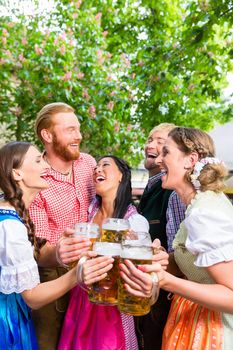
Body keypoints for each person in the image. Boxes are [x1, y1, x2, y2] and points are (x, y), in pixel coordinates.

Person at [120, 127, 233, 349]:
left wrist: (165, 280)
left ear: (190, 160)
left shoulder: (204, 212)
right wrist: (165, 260)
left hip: (215, 331)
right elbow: (198, 262)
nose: (159, 160)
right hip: (193, 319)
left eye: (166, 153)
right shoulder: (197, 204)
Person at [58, 155, 149, 350]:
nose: (97, 169)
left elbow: (138, 272)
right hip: (80, 298)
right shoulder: (89, 210)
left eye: (105, 165)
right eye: (96, 167)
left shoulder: (134, 221)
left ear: (121, 177)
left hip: (111, 307)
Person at [29, 102, 96, 350]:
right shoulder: (37, 179)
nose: (78, 136)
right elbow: (40, 251)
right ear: (47, 135)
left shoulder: (88, 164)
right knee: (49, 343)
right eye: (69, 130)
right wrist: (58, 252)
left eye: (78, 129)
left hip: (94, 270)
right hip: (53, 276)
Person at [0, 141, 80, 350]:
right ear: (17, 174)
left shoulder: (8, 214)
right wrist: (77, 274)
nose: (46, 166)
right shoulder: (11, 227)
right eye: (38, 160)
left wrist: (59, 252)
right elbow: (33, 298)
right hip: (7, 324)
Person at [136, 123, 186, 350]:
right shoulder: (151, 188)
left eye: (160, 142)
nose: (151, 145)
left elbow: (180, 253)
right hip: (149, 294)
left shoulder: (173, 192)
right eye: (149, 139)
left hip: (165, 300)